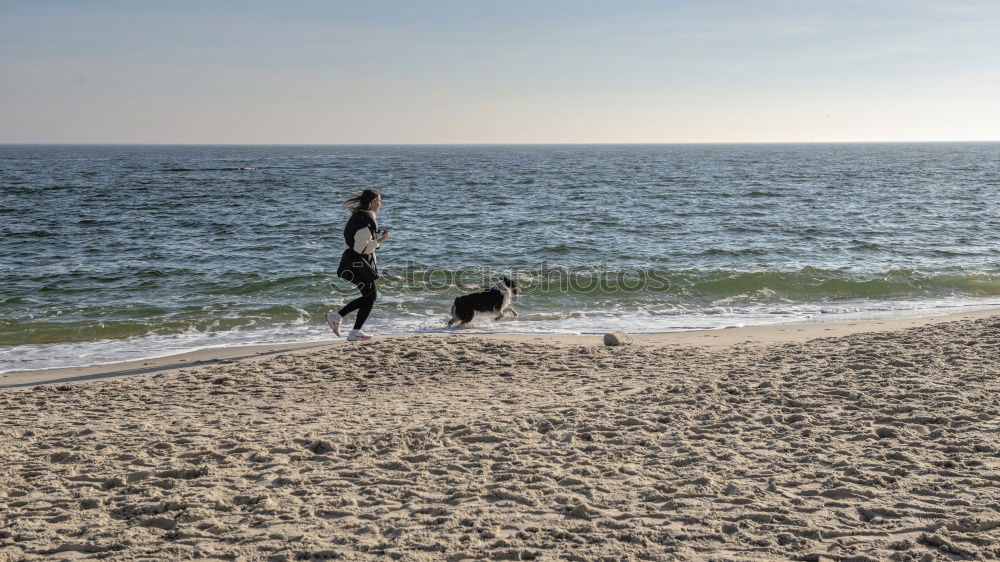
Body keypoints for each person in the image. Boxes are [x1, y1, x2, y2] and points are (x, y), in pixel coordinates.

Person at [326, 189, 389, 341]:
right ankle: (338, 318)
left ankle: (350, 328)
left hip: (356, 262)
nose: (380, 203)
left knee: (369, 297)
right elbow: (360, 249)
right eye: (379, 201)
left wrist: (372, 266)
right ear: (372, 202)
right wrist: (381, 240)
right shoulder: (364, 222)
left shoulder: (360, 216)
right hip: (356, 264)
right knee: (370, 296)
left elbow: (357, 245)